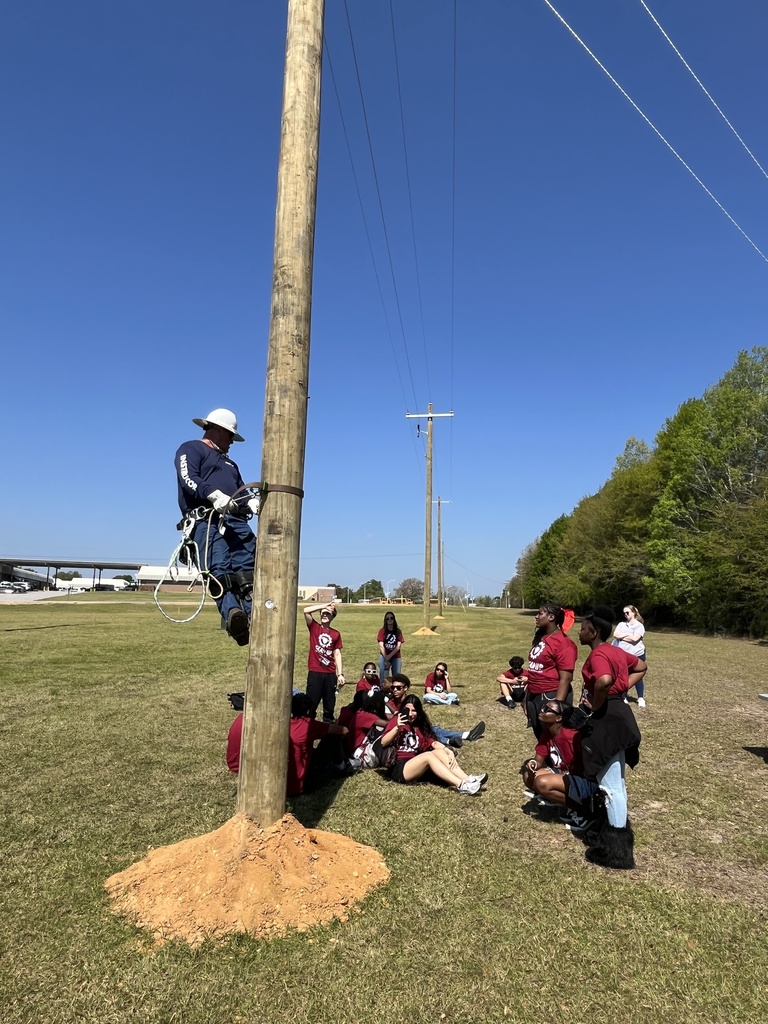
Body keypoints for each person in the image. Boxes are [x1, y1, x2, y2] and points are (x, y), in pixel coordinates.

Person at [566, 606, 647, 869]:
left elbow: (602, 679)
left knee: (611, 786)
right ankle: (613, 830)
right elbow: (642, 666)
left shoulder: (599, 653)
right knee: (616, 783)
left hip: (608, 719)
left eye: (584, 628)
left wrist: (598, 704)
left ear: (595, 632)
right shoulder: (616, 651)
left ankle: (617, 850)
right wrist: (621, 688)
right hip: (620, 714)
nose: (580, 631)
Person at [174, 408, 257, 646]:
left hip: (236, 522)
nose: (232, 441)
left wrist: (250, 501)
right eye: (230, 435)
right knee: (219, 567)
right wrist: (212, 494)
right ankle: (233, 615)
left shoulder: (231, 463)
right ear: (218, 430)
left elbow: (241, 491)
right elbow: (188, 478)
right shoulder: (190, 448)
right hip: (205, 519)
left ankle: (253, 615)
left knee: (248, 569)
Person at [226, 693, 349, 795]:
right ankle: (343, 766)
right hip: (300, 785)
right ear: (307, 710)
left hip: (277, 784)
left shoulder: (281, 724)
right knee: (332, 738)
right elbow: (343, 730)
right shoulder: (309, 725)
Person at [379, 694, 488, 795]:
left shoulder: (419, 727)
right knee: (428, 756)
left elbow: (433, 743)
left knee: (439, 751)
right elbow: (383, 742)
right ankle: (461, 785)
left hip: (416, 764)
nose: (411, 714)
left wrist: (448, 751)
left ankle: (468, 779)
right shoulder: (396, 720)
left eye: (414, 710)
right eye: (408, 710)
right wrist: (397, 727)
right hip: (400, 768)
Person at [520, 699, 600, 832]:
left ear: (558, 718)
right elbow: (538, 759)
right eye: (543, 707)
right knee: (528, 776)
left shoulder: (572, 736)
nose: (542, 710)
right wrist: (533, 763)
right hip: (564, 773)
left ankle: (585, 811)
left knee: (541, 783)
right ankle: (559, 799)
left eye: (547, 710)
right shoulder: (548, 732)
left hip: (583, 779)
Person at [388, 674, 484, 747]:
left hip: (417, 727)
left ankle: (465, 735)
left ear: (406, 688)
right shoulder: (390, 702)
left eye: (398, 688)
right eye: (393, 688)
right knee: (429, 731)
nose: (395, 690)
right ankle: (451, 741)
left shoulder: (411, 701)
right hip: (404, 732)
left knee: (434, 729)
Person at [526, 605, 577, 737]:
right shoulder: (543, 638)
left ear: (551, 617)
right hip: (534, 696)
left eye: (540, 613)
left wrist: (556, 708)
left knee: (553, 740)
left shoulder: (563, 643)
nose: (536, 616)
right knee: (541, 738)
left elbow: (565, 678)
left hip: (550, 696)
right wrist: (527, 698)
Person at [304, 603, 345, 722]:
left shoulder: (335, 634)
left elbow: (337, 654)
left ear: (333, 617)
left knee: (329, 705)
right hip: (315, 672)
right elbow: (306, 611)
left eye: (328, 613)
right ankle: (308, 726)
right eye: (323, 613)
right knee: (311, 704)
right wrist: (324, 606)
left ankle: (328, 727)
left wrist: (340, 674)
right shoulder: (314, 627)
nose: (325, 615)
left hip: (330, 673)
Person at [613, 604, 647, 707]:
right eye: (624, 613)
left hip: (637, 654)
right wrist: (628, 635)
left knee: (637, 676)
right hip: (623, 654)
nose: (625, 615)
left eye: (627, 612)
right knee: (623, 675)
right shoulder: (621, 624)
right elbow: (615, 635)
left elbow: (635, 639)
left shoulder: (639, 626)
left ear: (633, 613)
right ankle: (623, 696)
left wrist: (621, 636)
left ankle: (640, 698)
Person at [377, 611, 404, 680]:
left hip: (395, 656)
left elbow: (398, 646)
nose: (389, 620)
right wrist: (386, 657)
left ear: (394, 619)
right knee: (383, 676)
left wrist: (389, 656)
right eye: (387, 619)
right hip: (384, 655)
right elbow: (381, 646)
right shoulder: (382, 631)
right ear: (385, 620)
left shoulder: (398, 631)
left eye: (391, 618)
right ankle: (382, 688)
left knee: (397, 677)